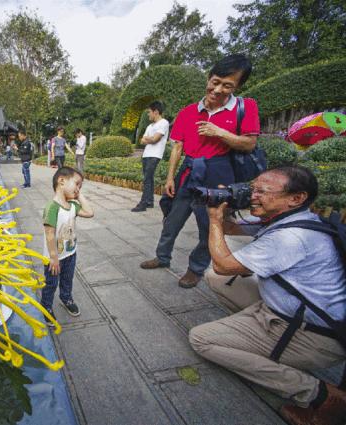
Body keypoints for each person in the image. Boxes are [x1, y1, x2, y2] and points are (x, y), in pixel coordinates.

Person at [189, 165, 346, 425]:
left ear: (296, 198)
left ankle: (320, 395)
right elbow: (233, 230)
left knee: (201, 339)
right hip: (299, 313)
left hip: (311, 335)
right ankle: (254, 333)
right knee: (218, 280)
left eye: (262, 191)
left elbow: (224, 264)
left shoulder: (291, 237)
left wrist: (214, 221)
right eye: (252, 189)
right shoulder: (292, 217)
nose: (253, 196)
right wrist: (224, 207)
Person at [139, 54, 260, 289]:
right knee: (172, 220)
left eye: (227, 86)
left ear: (238, 86)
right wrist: (170, 178)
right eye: (215, 81)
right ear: (209, 77)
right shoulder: (187, 112)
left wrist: (220, 133)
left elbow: (249, 143)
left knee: (210, 224)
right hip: (189, 170)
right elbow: (178, 147)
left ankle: (195, 268)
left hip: (219, 172)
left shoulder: (245, 108)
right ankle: (162, 256)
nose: (218, 89)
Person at [41, 167, 94, 325]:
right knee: (51, 283)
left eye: (80, 186)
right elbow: (49, 234)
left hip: (70, 253)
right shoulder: (52, 207)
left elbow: (90, 212)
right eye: (77, 184)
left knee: (67, 279)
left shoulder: (72, 206)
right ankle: (46, 306)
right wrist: (53, 257)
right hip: (54, 258)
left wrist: (79, 194)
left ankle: (66, 298)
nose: (78, 189)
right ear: (61, 181)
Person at [131, 101, 170, 212]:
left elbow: (154, 139)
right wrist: (149, 139)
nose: (148, 115)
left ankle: (142, 204)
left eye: (149, 112)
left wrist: (149, 139)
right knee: (149, 179)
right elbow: (142, 140)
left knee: (147, 179)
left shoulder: (164, 123)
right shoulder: (149, 126)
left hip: (155, 155)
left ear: (156, 112)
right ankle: (150, 202)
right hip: (146, 154)